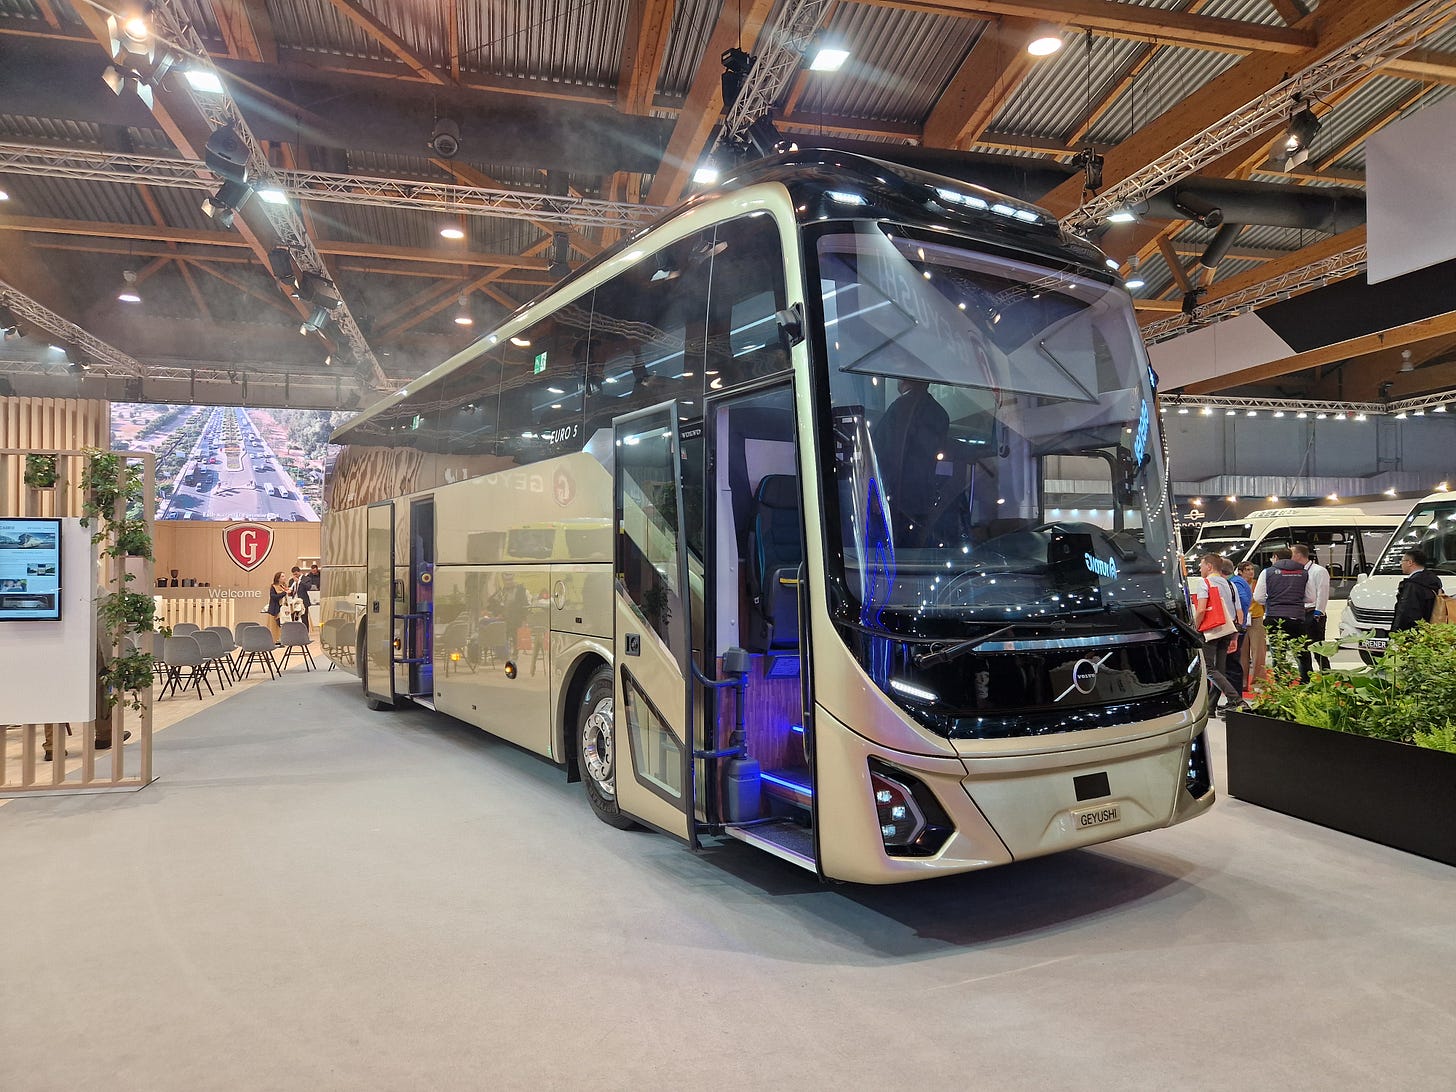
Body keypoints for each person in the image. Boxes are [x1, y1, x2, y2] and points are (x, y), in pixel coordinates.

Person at [870, 376, 950, 547]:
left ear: (904, 380)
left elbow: (884, 454)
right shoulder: (940, 413)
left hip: (897, 499)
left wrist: (878, 494)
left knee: (894, 549)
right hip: (925, 499)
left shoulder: (899, 409)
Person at [1193, 553, 1245, 716]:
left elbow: (1201, 609)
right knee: (1219, 670)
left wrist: (1195, 628)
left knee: (1208, 668)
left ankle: (1235, 699)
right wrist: (1235, 635)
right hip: (1227, 630)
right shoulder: (1231, 584)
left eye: (1201, 565)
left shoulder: (1205, 583)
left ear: (1209, 566)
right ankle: (1210, 708)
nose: (1200, 569)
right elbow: (1239, 612)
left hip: (1211, 631)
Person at [1255, 547, 1312, 682]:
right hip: (1297, 617)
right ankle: (1306, 681)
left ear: (1275, 557)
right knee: (1301, 652)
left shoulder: (1267, 572)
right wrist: (1295, 600)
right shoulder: (1303, 572)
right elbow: (1310, 597)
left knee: (1278, 652)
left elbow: (1258, 597)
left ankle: (1281, 682)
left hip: (1274, 616)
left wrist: (1273, 600)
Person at [1293, 543, 1330, 671]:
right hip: (1299, 613)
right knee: (1301, 649)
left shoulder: (1318, 571)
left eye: (1291, 553)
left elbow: (1322, 592)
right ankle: (1306, 676)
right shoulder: (1297, 571)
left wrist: (1318, 612)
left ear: (1298, 555)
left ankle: (1326, 675)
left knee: (1318, 649)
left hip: (1313, 612)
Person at [1392, 546, 1443, 632]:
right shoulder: (1433, 580)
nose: (1401, 564)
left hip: (1413, 633)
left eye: (1402, 561)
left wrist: (1396, 632)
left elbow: (1406, 613)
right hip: (1430, 629)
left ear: (1410, 562)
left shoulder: (1412, 585)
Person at [1223, 556, 1252, 699]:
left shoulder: (1234, 583)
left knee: (1232, 664)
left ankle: (1235, 699)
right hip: (1238, 626)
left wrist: (1238, 619)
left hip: (1235, 628)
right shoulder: (1237, 581)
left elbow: (1244, 601)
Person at [1238, 561, 1267, 688]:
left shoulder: (1257, 584)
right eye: (1247, 569)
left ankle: (1259, 682)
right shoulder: (1237, 584)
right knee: (1242, 652)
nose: (1251, 572)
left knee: (1259, 651)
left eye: (1252, 569)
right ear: (1240, 572)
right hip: (1242, 619)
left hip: (1256, 618)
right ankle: (1242, 682)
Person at [265, 570, 288, 643]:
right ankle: (274, 640)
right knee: (274, 625)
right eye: (282, 576)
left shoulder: (284, 586)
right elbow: (273, 596)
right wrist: (284, 593)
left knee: (282, 625)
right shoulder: (273, 586)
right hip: (276, 609)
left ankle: (282, 639)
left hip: (284, 609)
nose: (284, 578)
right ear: (278, 578)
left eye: (284, 576)